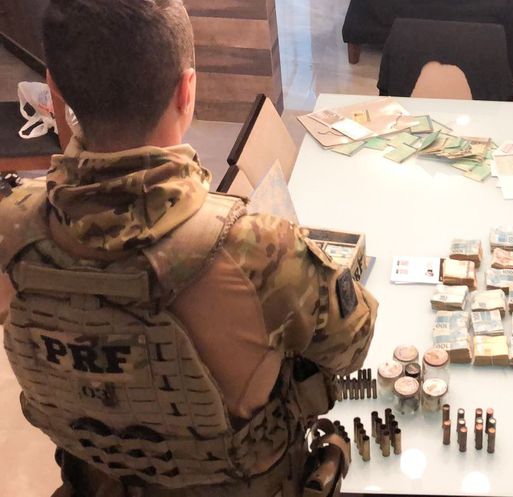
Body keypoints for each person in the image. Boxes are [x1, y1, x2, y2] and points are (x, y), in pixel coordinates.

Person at [0, 1, 378, 496]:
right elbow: (353, 344)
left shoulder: (11, 230)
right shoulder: (256, 248)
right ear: (187, 91)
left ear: (54, 88)